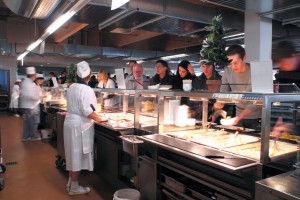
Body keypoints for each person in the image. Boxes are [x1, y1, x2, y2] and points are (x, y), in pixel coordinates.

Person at [64, 61, 105, 195]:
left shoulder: (71, 87)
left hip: (70, 122)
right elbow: (87, 111)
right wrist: (101, 118)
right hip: (79, 126)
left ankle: (71, 182)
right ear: (89, 76)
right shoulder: (86, 89)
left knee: (71, 153)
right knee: (77, 155)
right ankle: (74, 187)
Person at [216, 44, 261, 130]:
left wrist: (238, 117)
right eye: (230, 63)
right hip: (238, 117)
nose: (233, 67)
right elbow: (224, 90)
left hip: (257, 118)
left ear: (244, 58)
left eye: (236, 63)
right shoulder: (227, 71)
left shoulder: (256, 72)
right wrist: (220, 101)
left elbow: (257, 101)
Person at [19, 67, 43, 141]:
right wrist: (39, 97)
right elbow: (30, 95)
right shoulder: (28, 83)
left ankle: (25, 136)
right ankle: (34, 136)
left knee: (28, 122)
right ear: (33, 75)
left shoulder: (26, 82)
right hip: (30, 106)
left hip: (28, 106)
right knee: (33, 122)